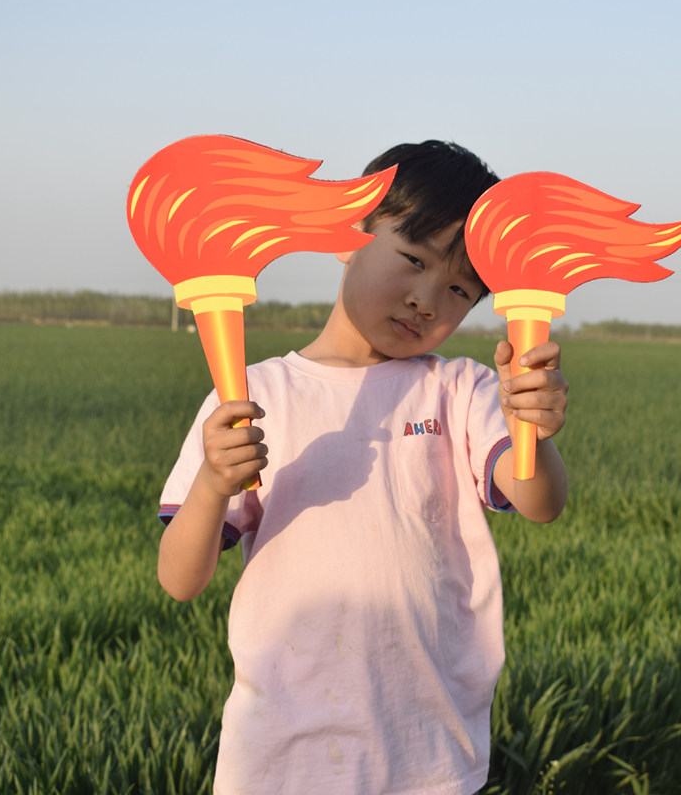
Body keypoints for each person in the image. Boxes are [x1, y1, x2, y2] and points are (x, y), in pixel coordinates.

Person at [157, 140, 569, 795]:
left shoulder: (460, 389)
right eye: (413, 259)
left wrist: (532, 429)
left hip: (427, 750)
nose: (427, 299)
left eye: (459, 289)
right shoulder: (256, 395)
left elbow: (539, 500)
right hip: (283, 754)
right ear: (351, 234)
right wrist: (211, 483)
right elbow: (181, 579)